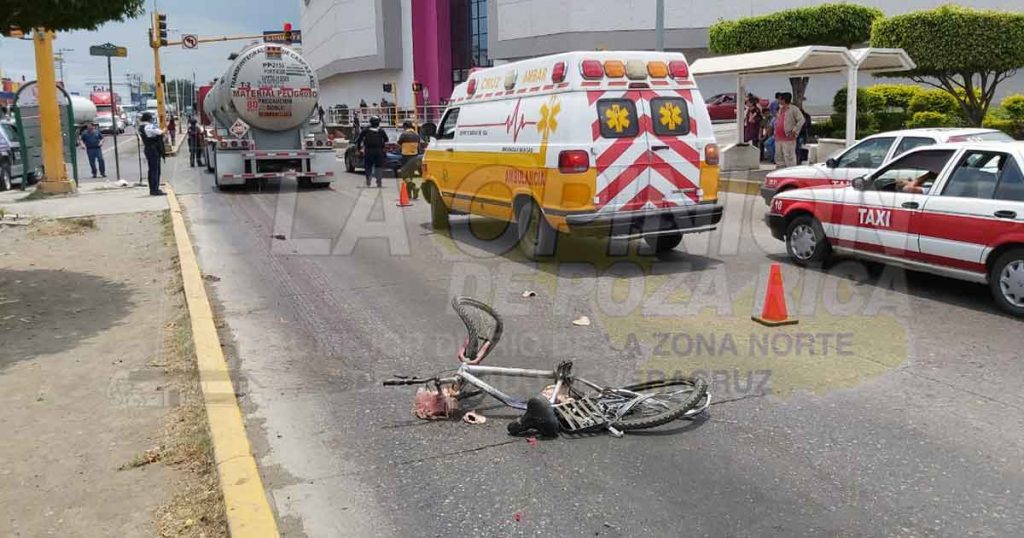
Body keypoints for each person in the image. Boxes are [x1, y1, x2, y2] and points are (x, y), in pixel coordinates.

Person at [353, 116, 388, 188]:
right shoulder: (381, 130)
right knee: (379, 166)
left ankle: (368, 179)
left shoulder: (366, 130)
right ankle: (379, 181)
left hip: (369, 150)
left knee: (368, 166)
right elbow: (386, 139)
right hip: (379, 151)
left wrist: (359, 148)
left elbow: (359, 140)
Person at [774, 93, 805, 168]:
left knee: (789, 156)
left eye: (780, 99)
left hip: (788, 138)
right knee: (779, 156)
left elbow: (801, 120)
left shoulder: (793, 109)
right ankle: (780, 171)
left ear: (784, 100)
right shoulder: (780, 109)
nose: (779, 100)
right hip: (778, 138)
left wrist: (794, 131)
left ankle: (790, 171)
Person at [139, 112, 165, 195]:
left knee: (151, 170)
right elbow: (160, 132)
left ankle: (153, 188)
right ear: (149, 118)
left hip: (148, 149)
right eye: (152, 118)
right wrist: (164, 130)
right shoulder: (149, 126)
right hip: (153, 149)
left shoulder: (141, 127)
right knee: (155, 170)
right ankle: (155, 189)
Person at [397, 121, 422, 199]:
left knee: (404, 174)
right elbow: (419, 146)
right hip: (415, 156)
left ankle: (413, 187)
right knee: (410, 175)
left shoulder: (404, 134)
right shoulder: (416, 135)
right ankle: (409, 194)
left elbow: (399, 144)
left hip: (406, 156)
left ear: (405, 126)